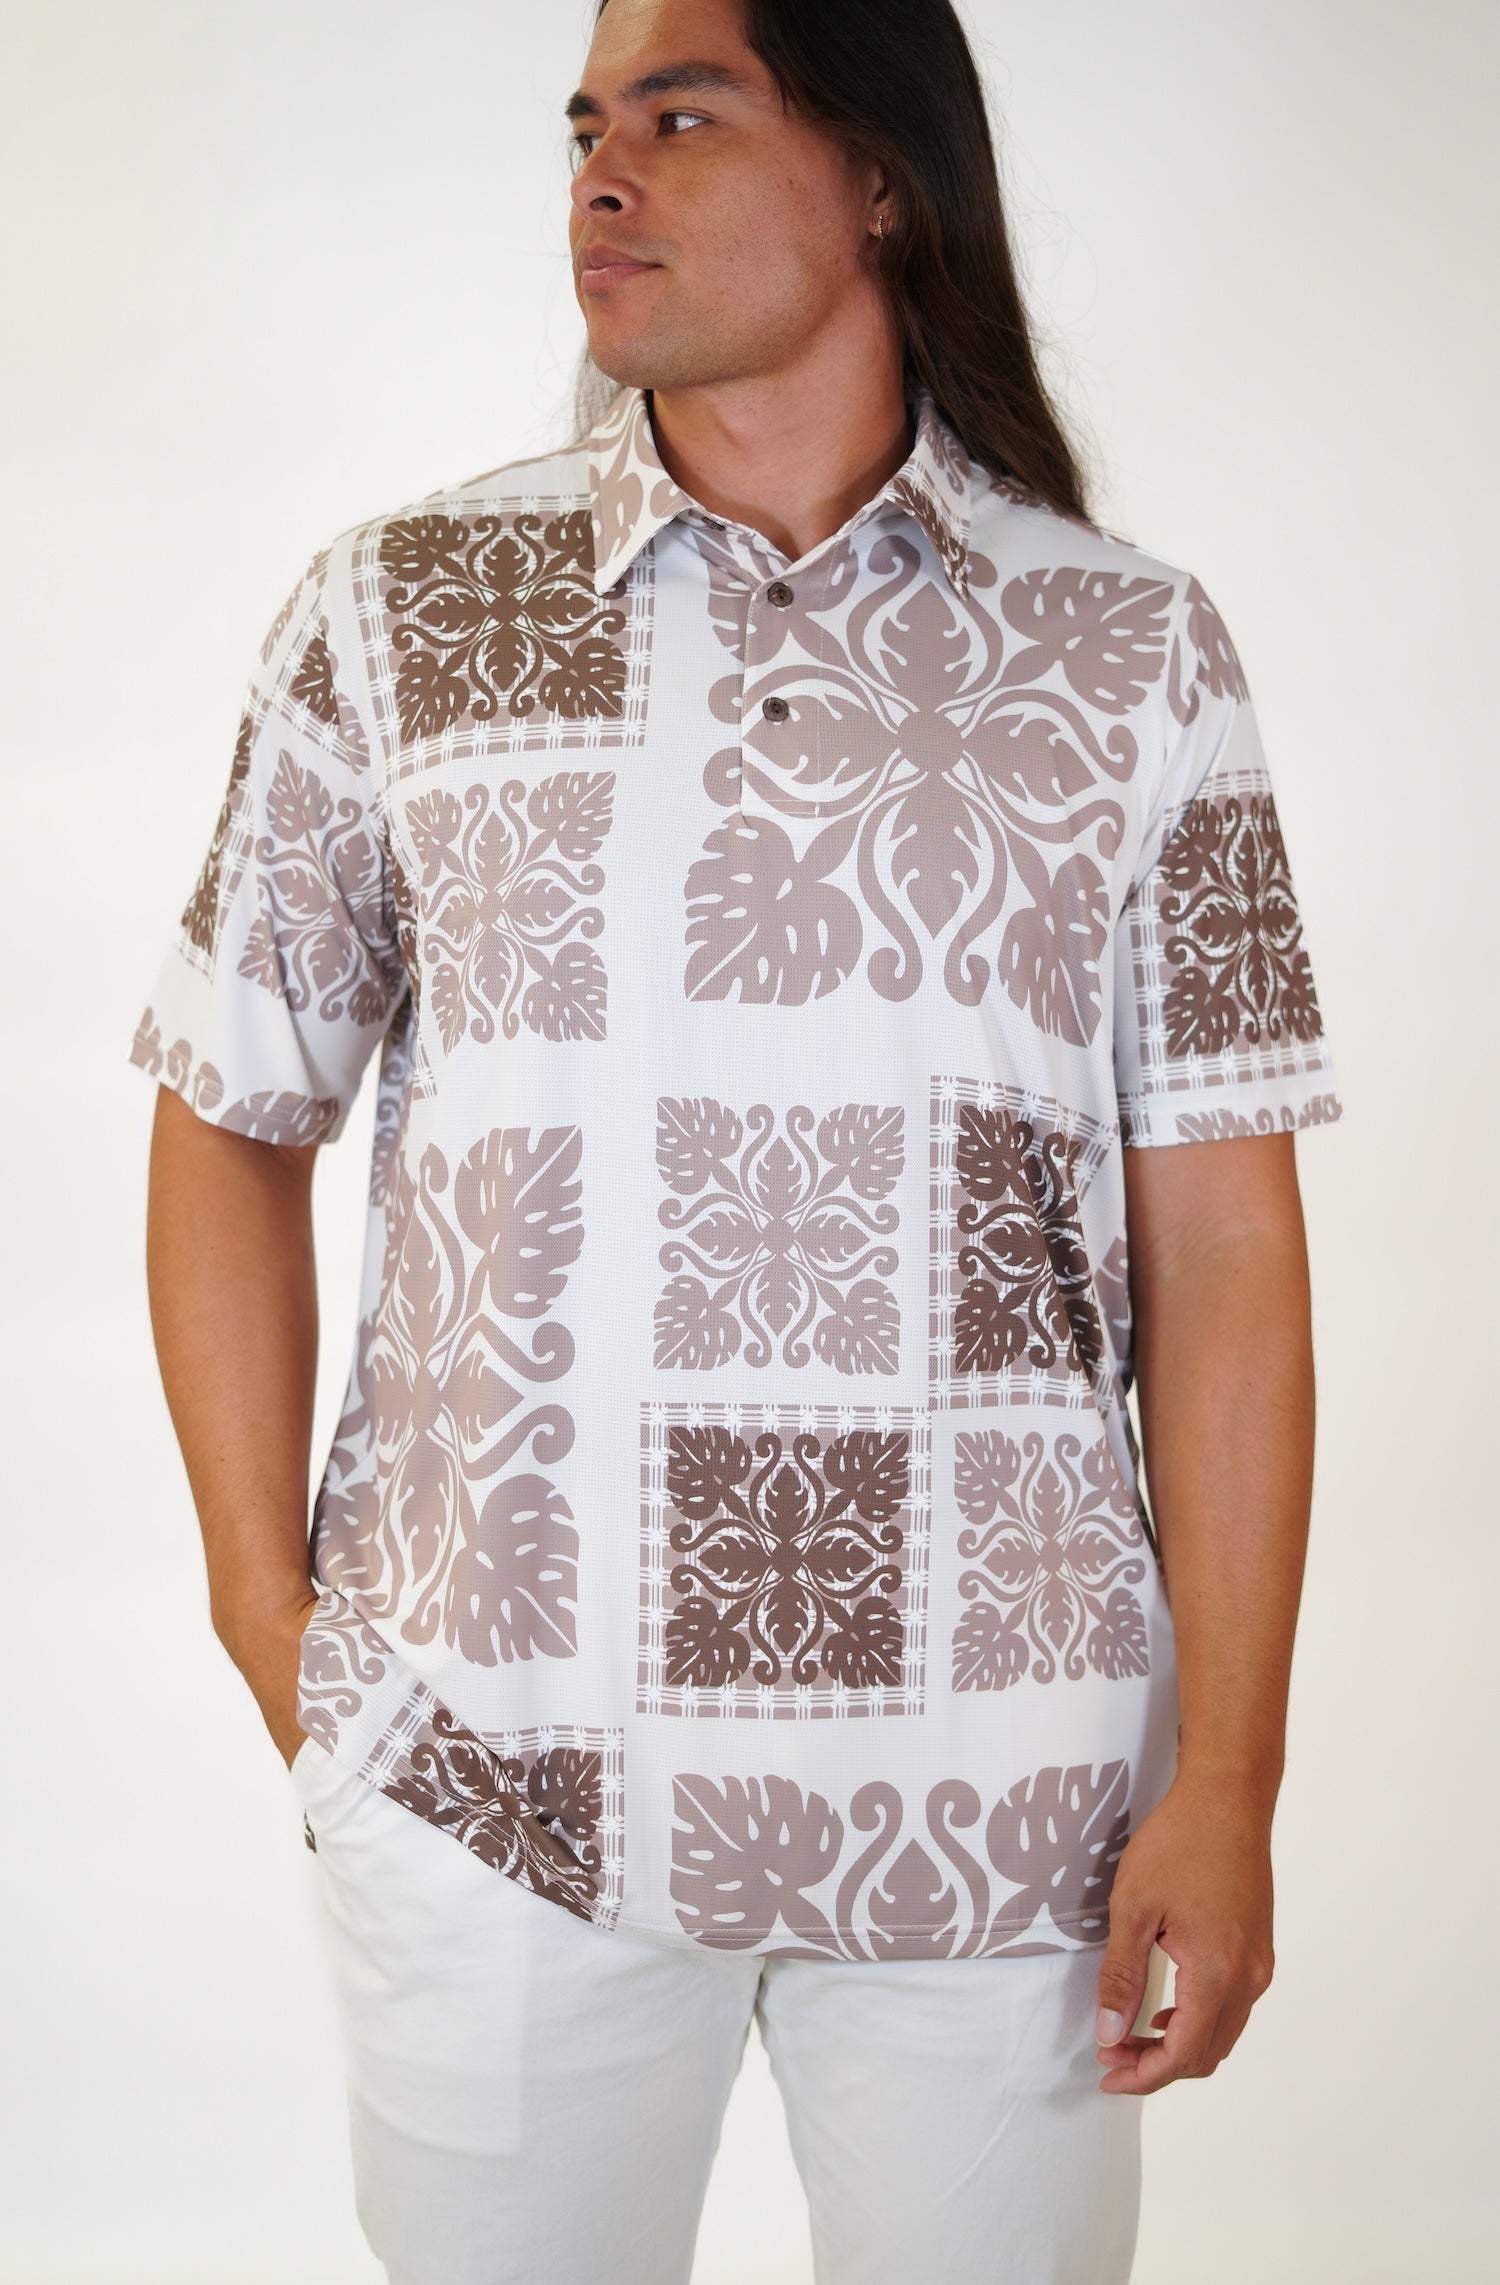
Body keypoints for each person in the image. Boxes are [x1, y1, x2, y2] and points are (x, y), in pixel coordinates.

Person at [132, 1, 1342, 2278]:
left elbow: (1229, 1248)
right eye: (589, 125)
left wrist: (1230, 1779)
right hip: (490, 1783)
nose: (604, 173)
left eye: (683, 116)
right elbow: (227, 1111)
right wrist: (268, 1623)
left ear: (886, 177)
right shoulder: (402, 616)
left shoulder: (1129, 655)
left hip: (1008, 1807)